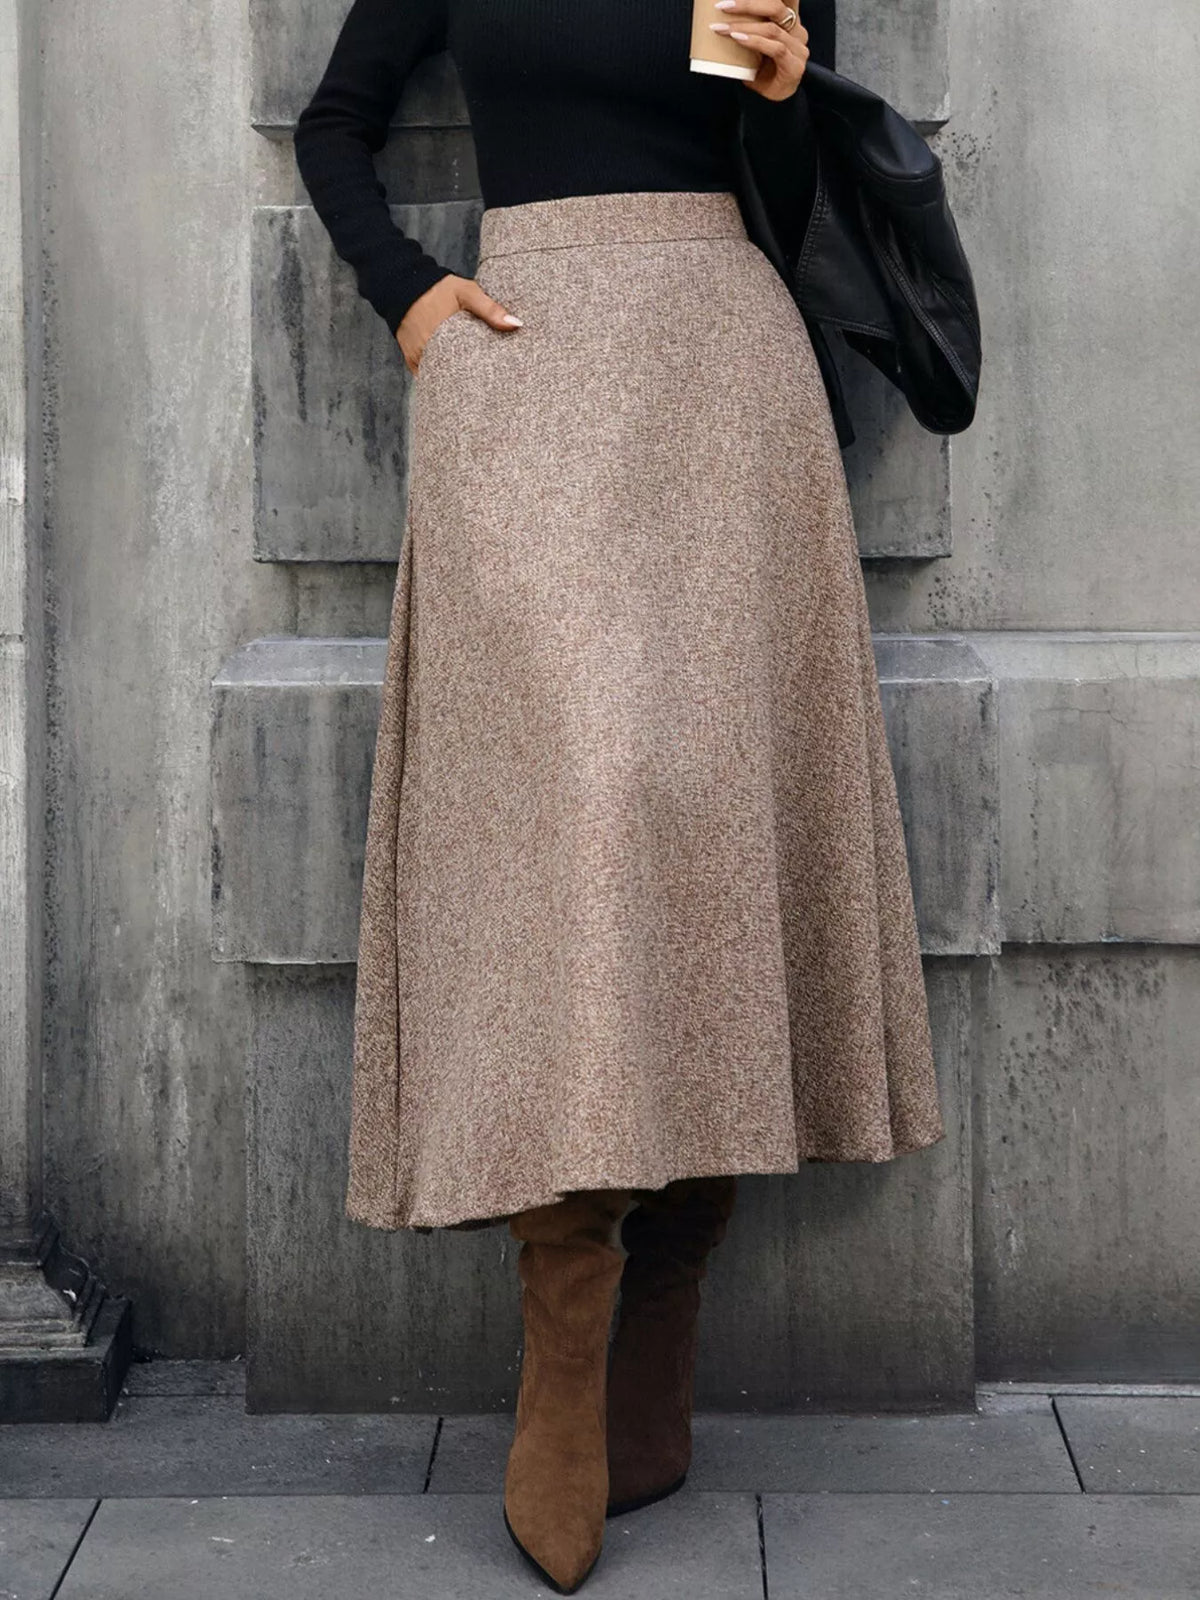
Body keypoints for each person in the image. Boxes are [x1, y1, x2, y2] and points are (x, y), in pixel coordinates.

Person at [294, 2, 945, 1592]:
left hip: (718, 377)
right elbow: (335, 126)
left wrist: (782, 93)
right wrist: (410, 294)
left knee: (706, 819)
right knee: (578, 812)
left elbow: (790, 185)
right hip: (523, 363)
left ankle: (664, 1303)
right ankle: (566, 1306)